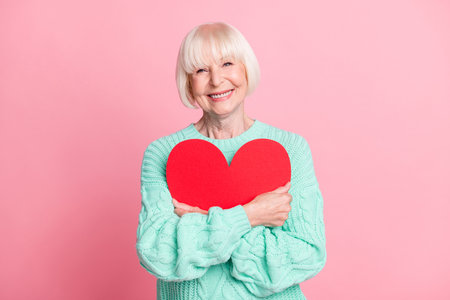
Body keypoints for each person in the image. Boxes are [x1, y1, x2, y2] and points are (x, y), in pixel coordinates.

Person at [135, 21, 326, 300]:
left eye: (227, 64)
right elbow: (158, 253)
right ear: (188, 82)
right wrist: (249, 216)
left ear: (246, 69)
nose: (216, 80)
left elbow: (307, 254)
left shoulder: (291, 148)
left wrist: (204, 221)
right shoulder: (162, 153)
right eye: (201, 70)